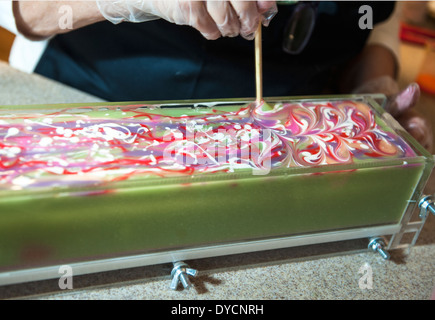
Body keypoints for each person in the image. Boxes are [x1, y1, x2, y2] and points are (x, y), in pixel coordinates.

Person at [0, 0, 432, 151]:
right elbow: (19, 9)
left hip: (274, 148)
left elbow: (377, 23)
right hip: (87, 111)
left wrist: (370, 87)